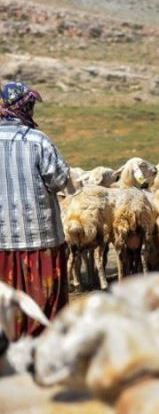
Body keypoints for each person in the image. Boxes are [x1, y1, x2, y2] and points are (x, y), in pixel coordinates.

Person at [0, 82, 70, 338]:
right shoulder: (38, 141)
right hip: (39, 236)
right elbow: (59, 179)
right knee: (44, 299)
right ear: (26, 107)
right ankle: (41, 347)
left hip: (2, 239)